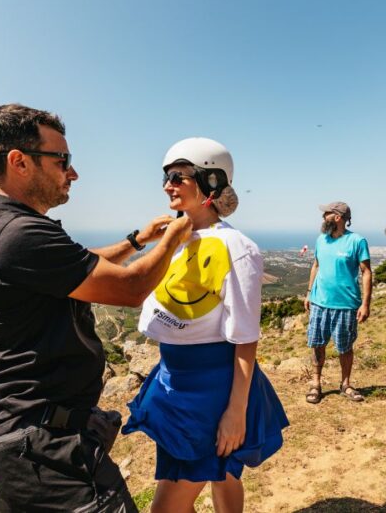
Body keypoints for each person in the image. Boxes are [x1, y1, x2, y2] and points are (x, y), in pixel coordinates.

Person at [0, 104, 192, 512]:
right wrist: (176, 236)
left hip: (20, 434)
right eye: (62, 160)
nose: (73, 173)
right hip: (44, 447)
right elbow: (132, 288)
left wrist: (136, 242)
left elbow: (76, 265)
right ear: (19, 162)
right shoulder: (19, 235)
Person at [122, 137, 288, 513]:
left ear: (211, 181)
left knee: (167, 506)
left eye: (178, 177)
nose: (168, 186)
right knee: (222, 474)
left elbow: (246, 337)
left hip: (210, 390)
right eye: (165, 177)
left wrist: (236, 411)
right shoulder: (175, 239)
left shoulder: (236, 247)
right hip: (175, 380)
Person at [303, 202, 372, 404]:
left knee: (345, 347)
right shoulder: (321, 239)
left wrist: (365, 304)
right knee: (317, 344)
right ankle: (316, 384)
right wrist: (308, 293)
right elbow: (316, 266)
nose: (323, 217)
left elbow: (366, 272)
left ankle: (346, 384)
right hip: (319, 303)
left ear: (337, 217)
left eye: (326, 213)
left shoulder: (357, 241)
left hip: (346, 305)